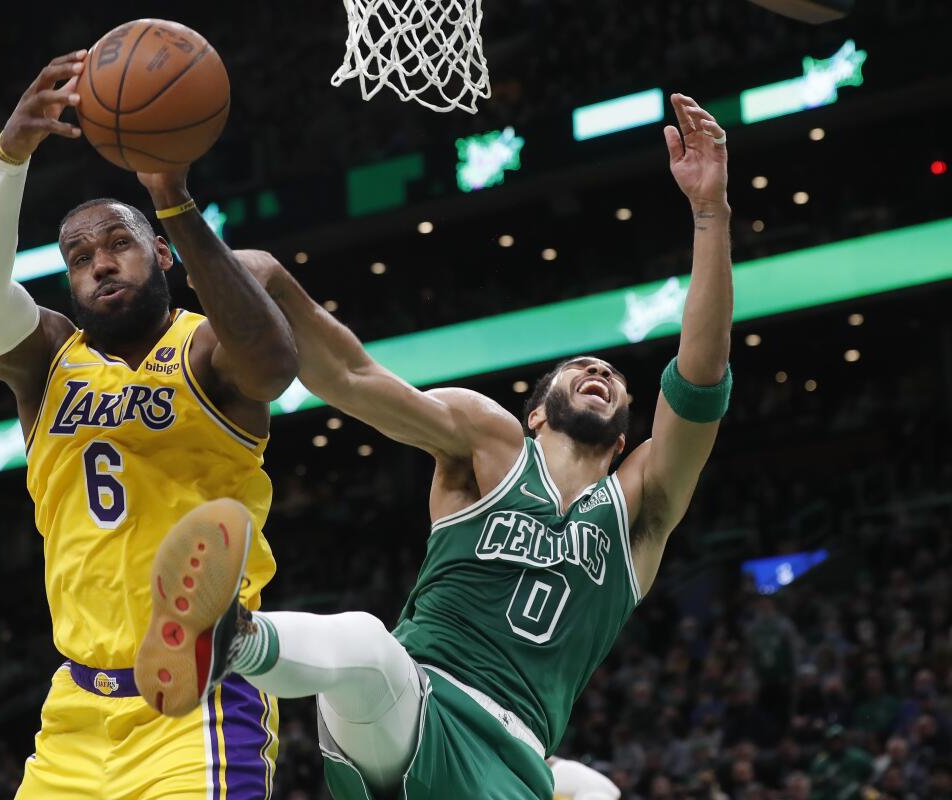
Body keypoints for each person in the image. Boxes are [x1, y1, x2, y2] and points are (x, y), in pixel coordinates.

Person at [138, 92, 732, 799]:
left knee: (594, 792)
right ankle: (227, 639)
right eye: (579, 370)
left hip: (514, 758)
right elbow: (356, 379)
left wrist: (710, 211)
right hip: (410, 705)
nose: (600, 370)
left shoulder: (641, 506)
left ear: (629, 432)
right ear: (537, 413)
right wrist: (278, 289)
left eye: (613, 376)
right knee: (366, 645)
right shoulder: (489, 445)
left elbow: (700, 378)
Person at [0, 50, 297, 798]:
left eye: (118, 244)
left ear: (162, 255)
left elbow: (272, 365)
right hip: (73, 713)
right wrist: (7, 157)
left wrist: (174, 199)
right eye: (79, 256)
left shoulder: (205, 348)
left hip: (198, 695)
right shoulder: (46, 360)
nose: (99, 264)